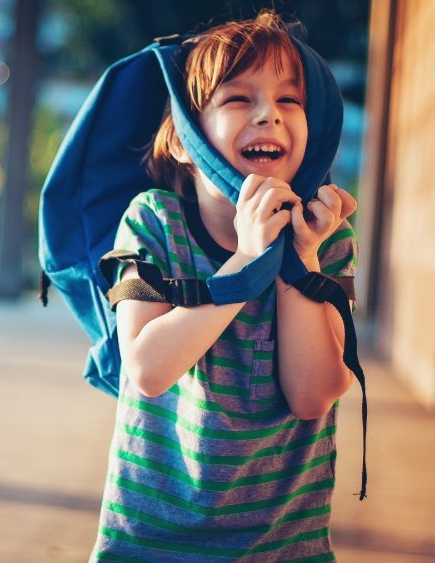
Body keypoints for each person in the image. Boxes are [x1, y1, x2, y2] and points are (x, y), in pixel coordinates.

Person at [92, 10, 358, 561]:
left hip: (286, 543)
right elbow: (147, 370)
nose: (270, 115)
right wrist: (246, 259)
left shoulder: (326, 236)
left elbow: (313, 397)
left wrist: (298, 257)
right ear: (186, 141)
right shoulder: (153, 221)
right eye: (238, 99)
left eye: (291, 101)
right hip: (152, 540)